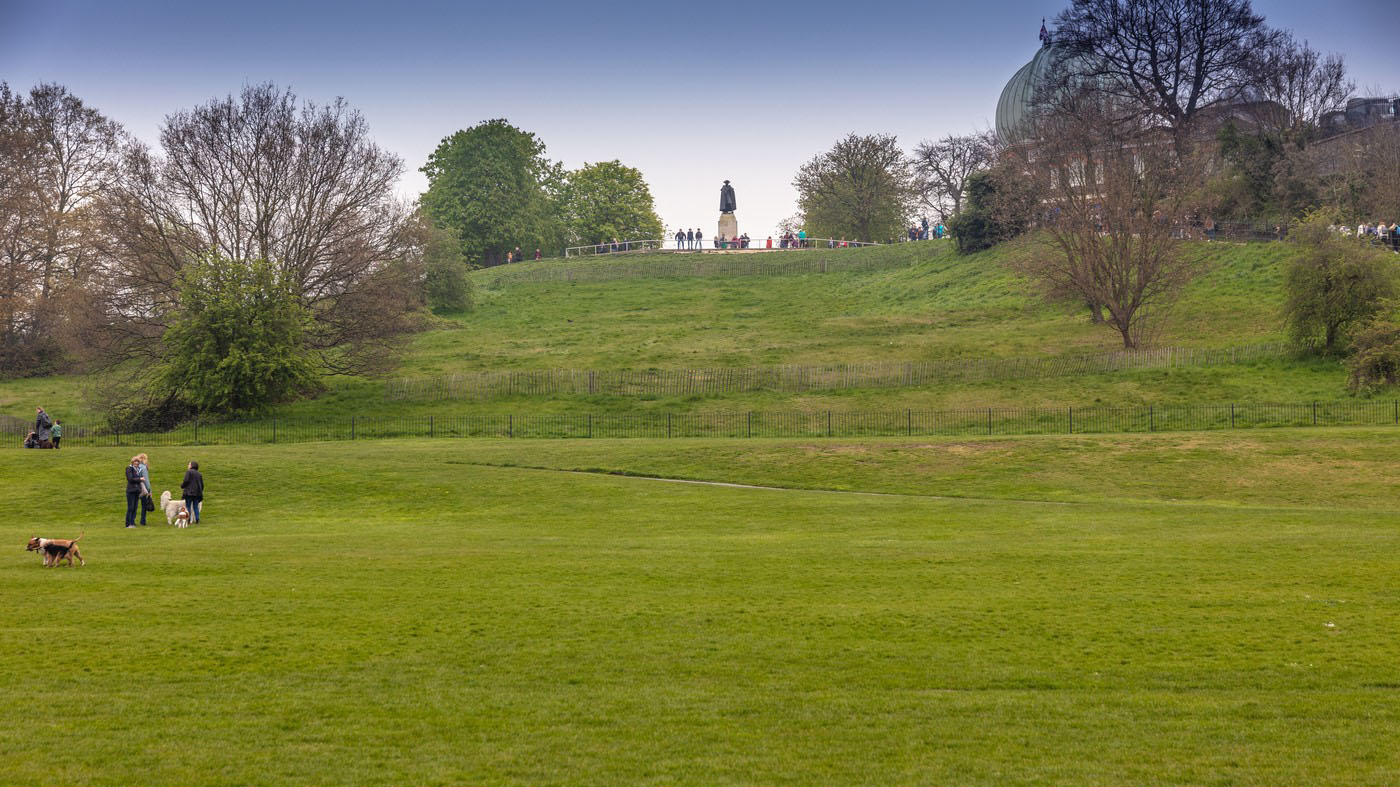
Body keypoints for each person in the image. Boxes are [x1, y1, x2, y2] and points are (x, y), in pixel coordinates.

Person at [181, 460, 204, 525]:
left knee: (188, 506)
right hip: (197, 493)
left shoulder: (188, 472)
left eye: (189, 464)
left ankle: (188, 520)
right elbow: (202, 485)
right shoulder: (199, 474)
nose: (188, 465)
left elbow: (186, 480)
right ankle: (197, 520)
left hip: (189, 493)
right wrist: (200, 491)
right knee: (195, 507)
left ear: (191, 465)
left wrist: (182, 486)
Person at [125, 456, 146, 528]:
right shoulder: (129, 469)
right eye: (135, 462)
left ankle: (132, 522)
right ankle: (128, 524)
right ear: (132, 462)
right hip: (131, 491)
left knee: (135, 507)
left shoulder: (137, 469)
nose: (136, 463)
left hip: (137, 491)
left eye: (138, 462)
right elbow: (130, 479)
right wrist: (140, 478)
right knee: (130, 507)